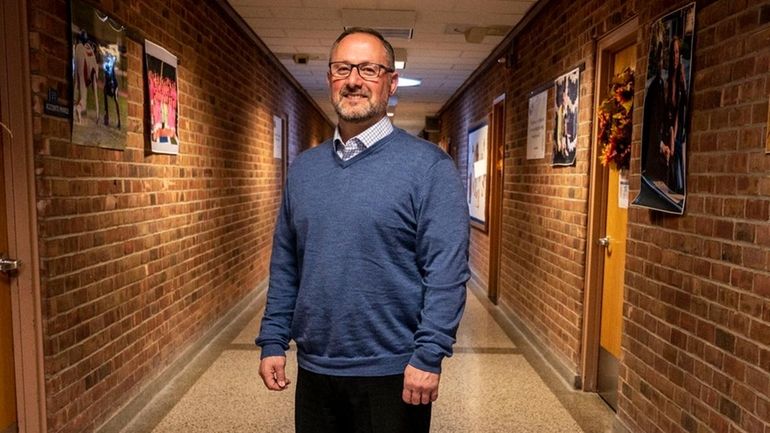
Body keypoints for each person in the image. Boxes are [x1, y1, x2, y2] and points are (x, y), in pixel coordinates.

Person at [255, 27, 470, 433]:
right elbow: (286, 265)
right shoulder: (305, 169)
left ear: (390, 83)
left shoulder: (428, 169)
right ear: (331, 79)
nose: (354, 80)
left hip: (396, 372)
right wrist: (273, 340)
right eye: (343, 69)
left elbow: (447, 272)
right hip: (316, 370)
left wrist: (429, 355)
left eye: (369, 69)